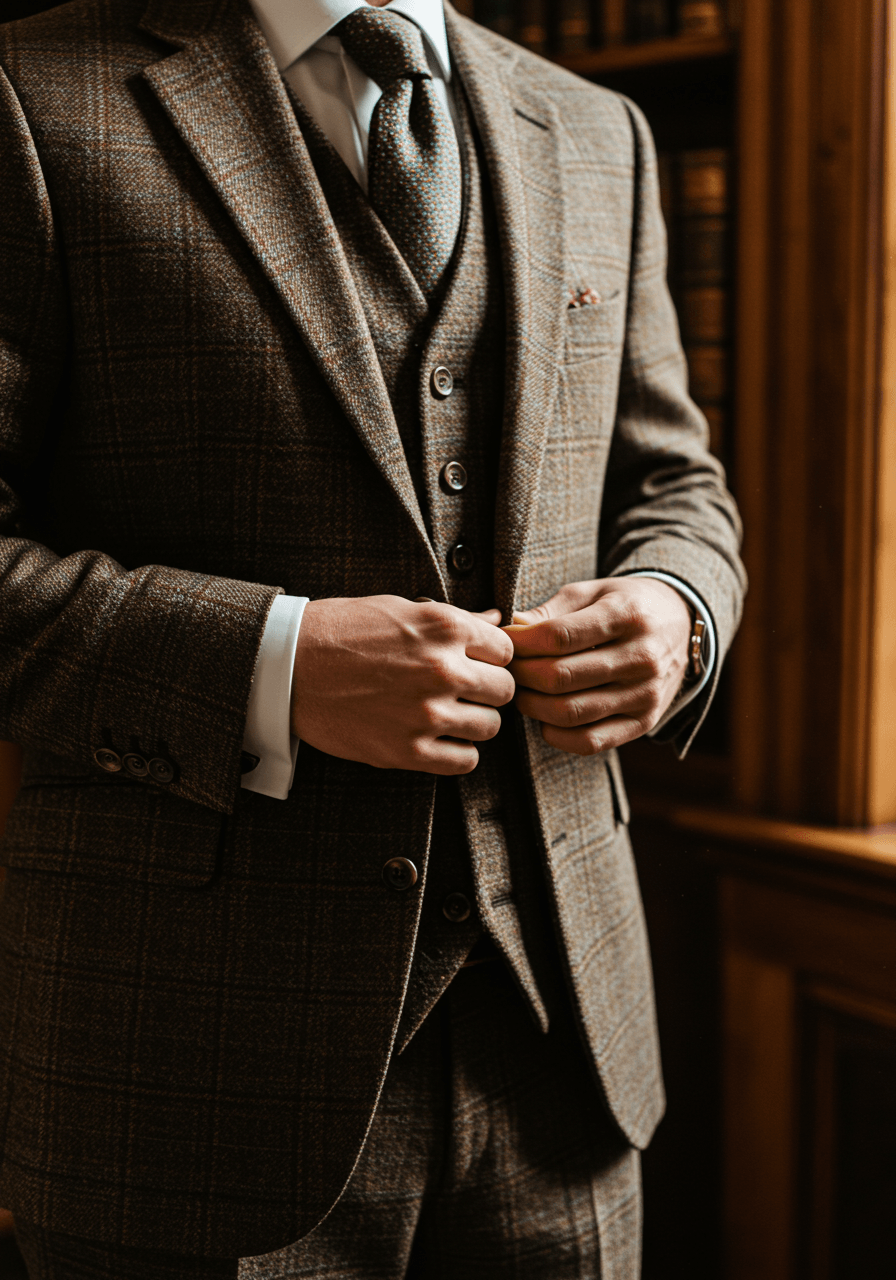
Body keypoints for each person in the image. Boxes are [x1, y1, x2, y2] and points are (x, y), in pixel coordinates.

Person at [0, 0, 745, 1275]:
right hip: (183, 1078)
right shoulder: (29, 95)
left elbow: (676, 489)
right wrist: (271, 664)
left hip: (563, 1063)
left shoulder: (593, 126)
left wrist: (677, 613)